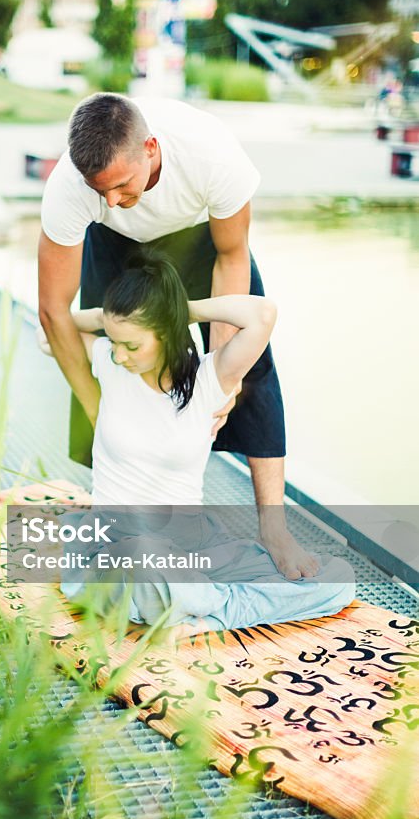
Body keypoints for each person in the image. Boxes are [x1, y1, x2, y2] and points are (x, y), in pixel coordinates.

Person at [38, 92, 316, 581]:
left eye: (121, 185)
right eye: (98, 190)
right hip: (115, 244)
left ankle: (274, 529)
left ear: (149, 148)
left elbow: (232, 257)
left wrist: (220, 375)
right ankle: (117, 516)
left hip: (200, 239)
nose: (111, 200)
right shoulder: (73, 190)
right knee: (116, 360)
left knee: (252, 373)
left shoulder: (212, 154)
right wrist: (94, 403)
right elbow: (52, 311)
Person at [37, 250, 356, 633]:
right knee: (142, 557)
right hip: (116, 548)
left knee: (339, 579)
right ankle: (199, 606)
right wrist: (111, 317)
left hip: (194, 547)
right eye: (115, 340)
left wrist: (179, 308)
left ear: (166, 332)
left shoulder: (210, 379)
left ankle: (203, 611)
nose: (120, 354)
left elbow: (263, 314)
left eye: (133, 345)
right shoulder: (108, 361)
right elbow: (48, 332)